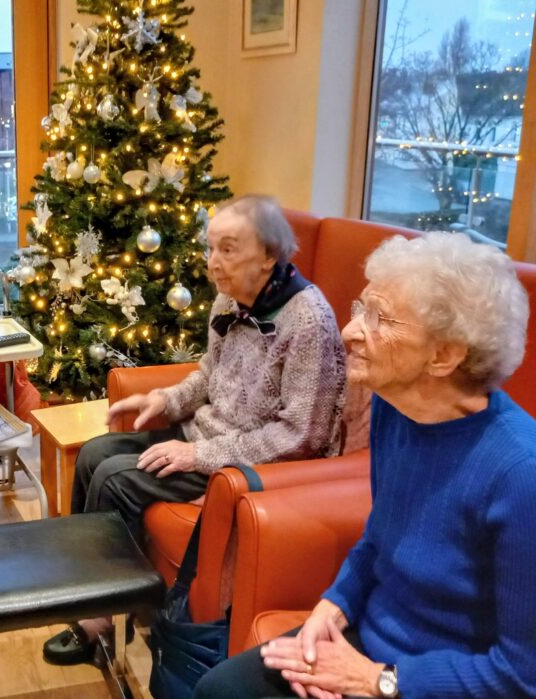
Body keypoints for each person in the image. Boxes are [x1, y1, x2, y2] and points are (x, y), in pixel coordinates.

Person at [195, 233, 536, 699]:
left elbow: (522, 675)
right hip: (367, 648)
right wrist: (332, 606)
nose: (350, 330)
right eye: (360, 308)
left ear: (445, 355)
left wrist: (378, 680)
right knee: (220, 690)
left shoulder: (520, 473)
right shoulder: (396, 409)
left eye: (379, 319)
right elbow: (380, 538)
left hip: (439, 682)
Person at [44, 194, 347, 665]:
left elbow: (301, 435)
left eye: (229, 249)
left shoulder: (308, 320)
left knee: (116, 478)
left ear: (269, 254)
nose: (213, 263)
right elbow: (208, 373)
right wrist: (165, 400)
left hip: (245, 461)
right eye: (211, 249)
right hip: (202, 434)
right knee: (93, 454)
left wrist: (200, 456)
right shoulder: (231, 299)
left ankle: (100, 622)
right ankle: (84, 590)